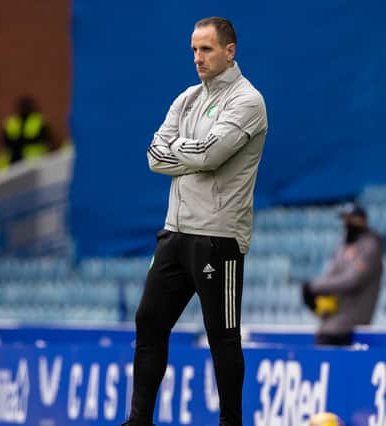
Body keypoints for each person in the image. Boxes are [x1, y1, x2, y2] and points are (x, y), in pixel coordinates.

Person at [123, 17, 267, 426]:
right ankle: (138, 421)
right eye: (193, 50)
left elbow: (210, 156)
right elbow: (154, 156)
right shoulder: (186, 98)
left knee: (221, 336)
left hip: (218, 237)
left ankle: (230, 422)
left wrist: (180, 152)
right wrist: (191, 153)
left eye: (206, 49)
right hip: (175, 232)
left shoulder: (247, 101)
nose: (197, 58)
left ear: (229, 51)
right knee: (148, 321)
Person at [302, 202, 383, 346]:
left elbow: (352, 280)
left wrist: (314, 287)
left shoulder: (371, 246)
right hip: (334, 319)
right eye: (345, 219)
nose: (347, 224)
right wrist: (313, 290)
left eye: (351, 219)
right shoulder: (344, 246)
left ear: (362, 221)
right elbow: (331, 275)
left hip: (352, 321)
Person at [0, 95, 52, 170]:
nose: (23, 109)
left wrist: (20, 141)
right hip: (10, 165)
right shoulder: (10, 123)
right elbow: (4, 143)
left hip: (33, 165)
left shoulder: (39, 121)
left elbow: (46, 141)